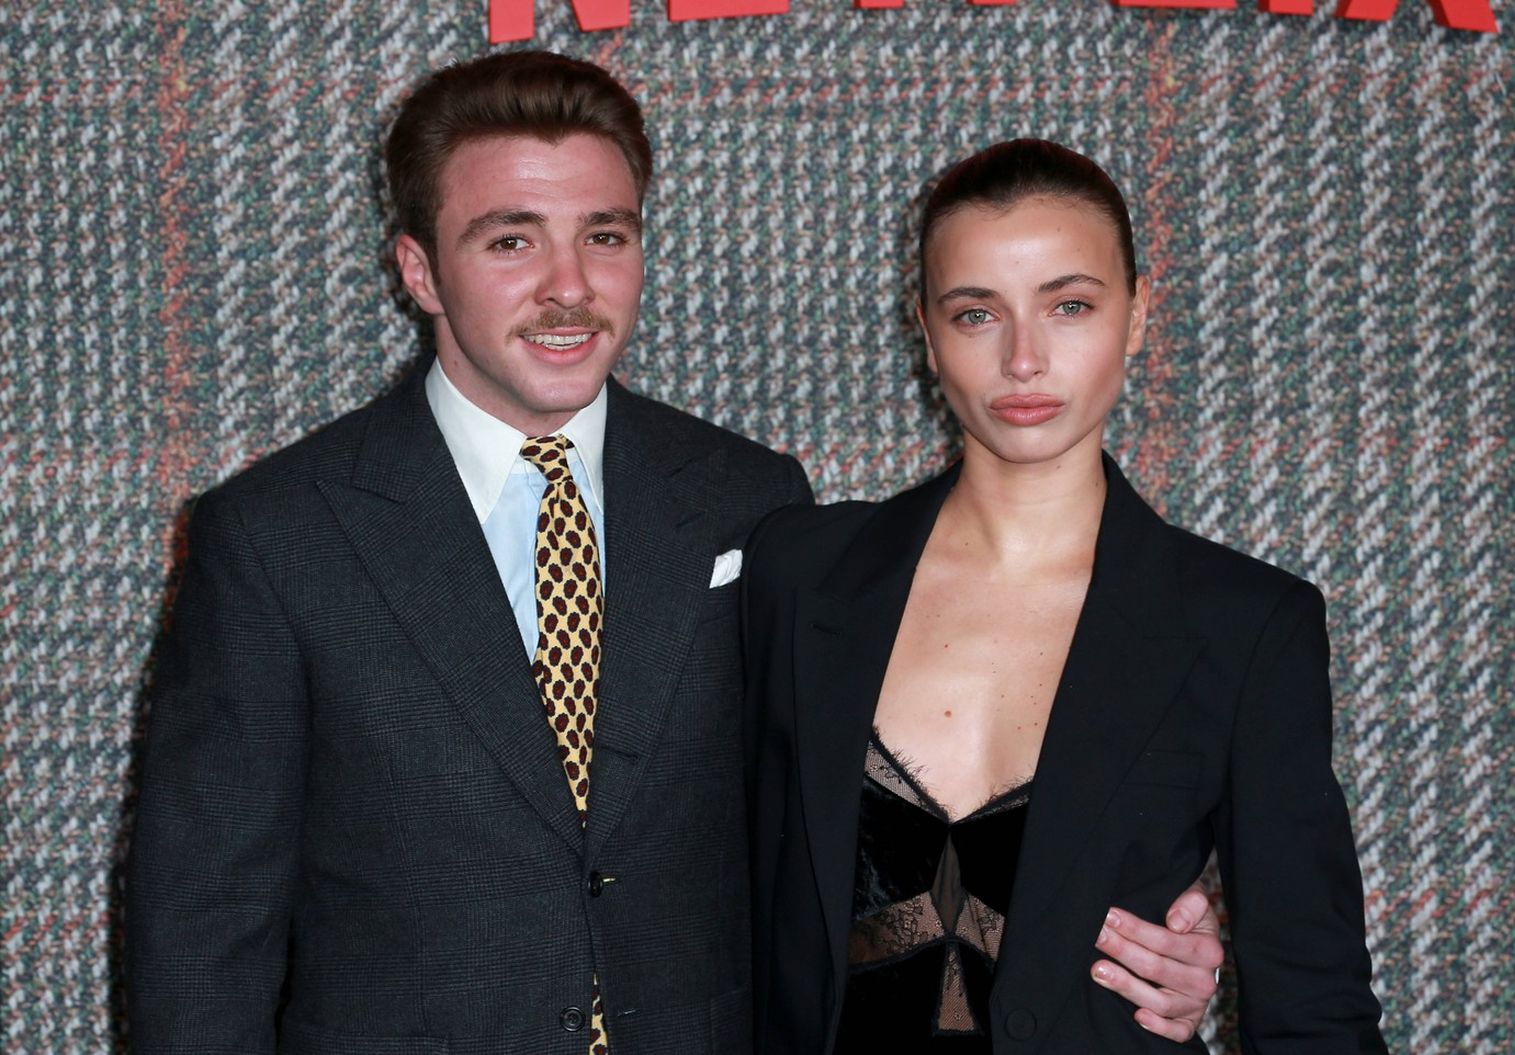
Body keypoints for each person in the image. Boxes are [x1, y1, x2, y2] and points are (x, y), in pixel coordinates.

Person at [126, 53, 1225, 1054]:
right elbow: (202, 930)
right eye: (512, 240)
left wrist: (1137, 941)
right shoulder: (274, 538)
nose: (570, 286)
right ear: (418, 270)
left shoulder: (754, 504)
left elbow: (863, 831)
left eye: (605, 235)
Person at [742, 139, 1388, 1053]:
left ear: (1137, 314)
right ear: (926, 332)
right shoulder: (797, 571)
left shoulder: (1245, 626)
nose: (1024, 359)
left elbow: (1313, 1002)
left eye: (1070, 305)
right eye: (977, 314)